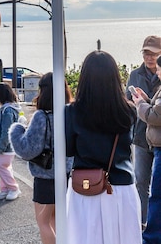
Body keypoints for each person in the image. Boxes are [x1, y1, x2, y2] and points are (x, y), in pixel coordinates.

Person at [65, 50, 141, 244]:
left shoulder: (72, 112)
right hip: (122, 188)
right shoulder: (129, 111)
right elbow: (128, 144)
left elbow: (68, 150)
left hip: (86, 189)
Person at [9, 72, 74, 244]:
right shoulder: (69, 112)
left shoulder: (41, 116)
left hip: (45, 177)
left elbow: (28, 149)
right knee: (58, 220)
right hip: (66, 175)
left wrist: (17, 129)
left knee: (43, 222)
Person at [126, 35, 161, 227]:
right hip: (140, 136)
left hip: (158, 137)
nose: (149, 58)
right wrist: (137, 102)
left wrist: (143, 105)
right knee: (140, 181)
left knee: (157, 185)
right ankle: (142, 222)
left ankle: (154, 223)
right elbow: (127, 99)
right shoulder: (135, 74)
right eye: (146, 53)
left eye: (154, 54)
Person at [0, 82, 22, 200]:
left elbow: (6, 131)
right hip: (9, 145)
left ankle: (13, 188)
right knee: (5, 167)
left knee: (1, 167)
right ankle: (5, 189)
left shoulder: (7, 110)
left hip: (6, 146)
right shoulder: (10, 108)